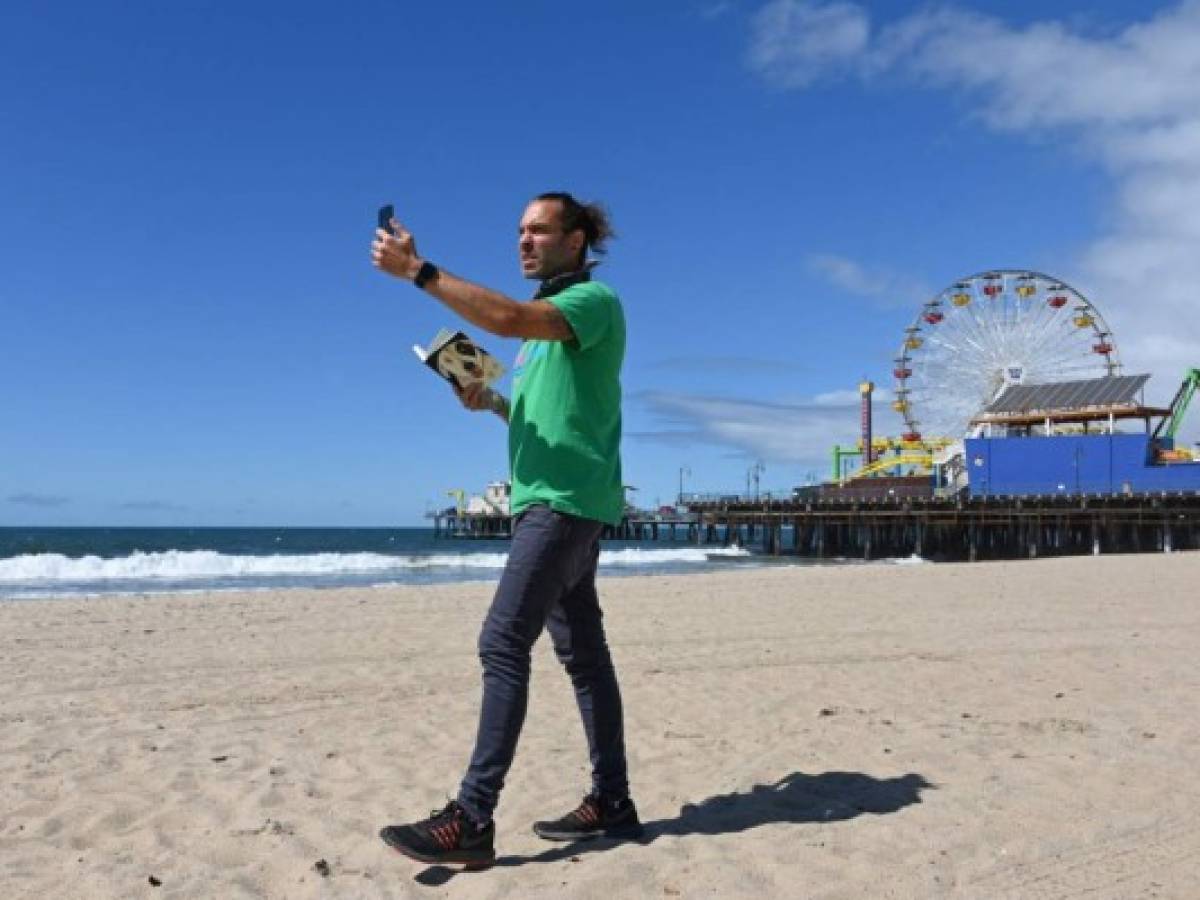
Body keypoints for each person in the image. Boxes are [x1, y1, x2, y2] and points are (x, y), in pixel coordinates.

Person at [370, 192, 641, 868]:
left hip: (562, 504)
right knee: (584, 659)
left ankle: (472, 816)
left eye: (540, 231)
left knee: (501, 643)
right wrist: (487, 396)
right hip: (558, 500)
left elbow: (511, 317)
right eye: (519, 231)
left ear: (576, 241)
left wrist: (419, 272)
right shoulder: (543, 341)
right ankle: (613, 801)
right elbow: (538, 414)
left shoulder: (588, 304)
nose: (524, 241)